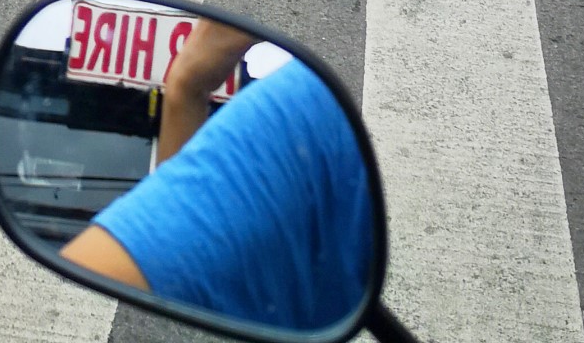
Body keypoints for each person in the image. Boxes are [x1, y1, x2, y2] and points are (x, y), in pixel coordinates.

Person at [61, 20, 373, 333]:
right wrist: (185, 90)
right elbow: (183, 233)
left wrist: (185, 86)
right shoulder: (305, 110)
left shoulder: (298, 111)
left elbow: (95, 258)